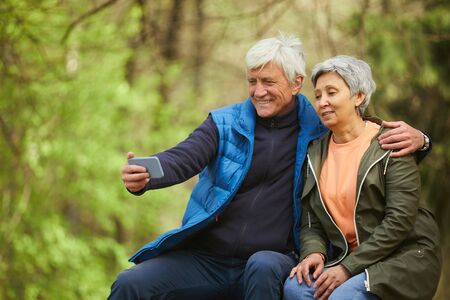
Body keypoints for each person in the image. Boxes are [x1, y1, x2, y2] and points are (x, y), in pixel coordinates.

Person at [109, 35, 431, 300]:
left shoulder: (317, 128)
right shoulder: (225, 123)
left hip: (275, 259)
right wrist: (148, 175)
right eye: (252, 81)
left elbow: (360, 131)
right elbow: (184, 157)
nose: (258, 91)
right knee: (130, 285)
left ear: (295, 83)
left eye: (268, 81)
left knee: (262, 265)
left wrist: (422, 140)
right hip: (207, 258)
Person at [283, 55, 441, 300]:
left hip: (403, 257)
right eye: (318, 95)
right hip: (351, 259)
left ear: (358, 96)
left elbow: (399, 221)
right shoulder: (315, 153)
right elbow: (311, 221)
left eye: (331, 92)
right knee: (295, 288)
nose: (322, 102)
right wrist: (314, 253)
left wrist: (346, 268)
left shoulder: (391, 143)